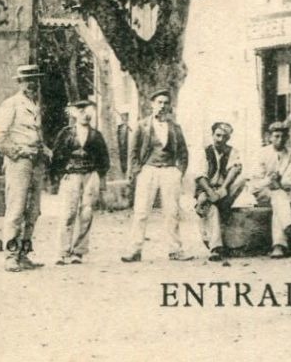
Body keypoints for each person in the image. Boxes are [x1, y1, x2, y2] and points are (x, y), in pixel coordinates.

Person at [0, 65, 51, 271]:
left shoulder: (35, 106)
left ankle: (24, 254)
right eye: (27, 79)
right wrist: (19, 152)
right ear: (20, 82)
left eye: (35, 79)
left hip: (37, 162)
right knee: (16, 209)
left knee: (33, 211)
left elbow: (36, 135)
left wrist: (46, 150)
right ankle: (10, 256)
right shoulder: (11, 104)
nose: (32, 84)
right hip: (19, 161)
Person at [122, 90, 189, 263]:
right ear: (152, 104)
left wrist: (179, 171)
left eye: (166, 103)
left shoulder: (175, 127)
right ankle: (134, 250)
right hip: (148, 170)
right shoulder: (142, 125)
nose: (162, 106)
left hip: (169, 171)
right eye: (159, 102)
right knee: (141, 211)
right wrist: (137, 171)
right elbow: (133, 151)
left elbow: (183, 152)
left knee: (171, 211)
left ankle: (175, 250)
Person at [49, 99, 110, 265]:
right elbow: (56, 157)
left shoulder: (96, 135)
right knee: (67, 214)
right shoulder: (66, 133)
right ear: (74, 113)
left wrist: (100, 177)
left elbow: (104, 159)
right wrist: (58, 177)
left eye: (88, 110)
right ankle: (62, 252)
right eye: (80, 110)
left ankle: (79, 252)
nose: (85, 114)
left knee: (86, 214)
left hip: (91, 176)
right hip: (71, 177)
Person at [250, 121, 291, 257]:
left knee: (278, 201)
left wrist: (278, 182)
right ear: (269, 137)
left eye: (282, 137)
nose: (279, 140)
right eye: (276, 136)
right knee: (279, 196)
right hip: (262, 194)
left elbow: (290, 180)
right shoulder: (261, 153)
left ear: (287, 137)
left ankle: (278, 246)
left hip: (282, 194)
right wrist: (269, 180)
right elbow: (254, 183)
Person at [193, 121, 245, 262]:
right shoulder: (204, 151)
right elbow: (200, 176)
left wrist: (223, 188)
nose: (220, 139)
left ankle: (203, 204)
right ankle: (215, 248)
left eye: (224, 137)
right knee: (213, 208)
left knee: (242, 179)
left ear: (228, 138)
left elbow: (235, 169)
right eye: (218, 135)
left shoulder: (232, 151)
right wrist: (211, 193)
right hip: (206, 188)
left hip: (223, 189)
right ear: (213, 135)